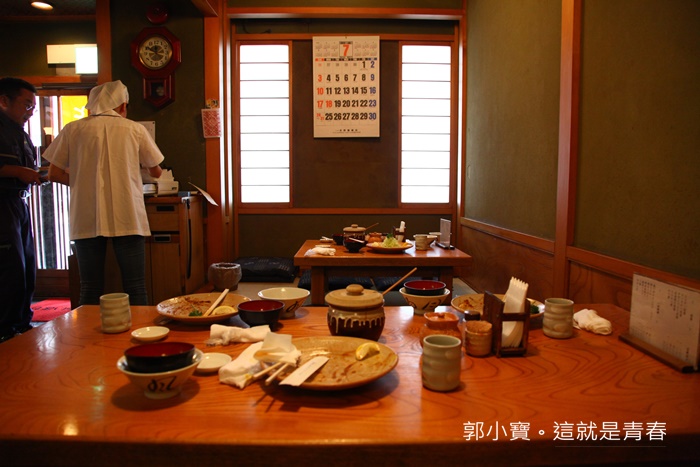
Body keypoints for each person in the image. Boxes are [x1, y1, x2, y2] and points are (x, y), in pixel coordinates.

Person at [43, 80, 164, 306]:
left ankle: (88, 329)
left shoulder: (73, 129)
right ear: (122, 106)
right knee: (136, 286)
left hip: (86, 214)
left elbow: (54, 174)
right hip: (127, 212)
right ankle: (141, 327)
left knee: (89, 287)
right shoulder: (135, 129)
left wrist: (82, 182)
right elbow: (156, 171)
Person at [0, 77, 41, 343]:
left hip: (18, 203)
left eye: (33, 107)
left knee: (26, 264)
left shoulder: (19, 132)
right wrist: (18, 171)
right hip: (2, 205)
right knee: (9, 267)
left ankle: (22, 322)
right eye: (27, 105)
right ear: (4, 100)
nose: (30, 112)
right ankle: (5, 330)